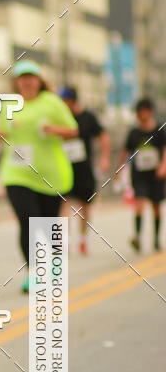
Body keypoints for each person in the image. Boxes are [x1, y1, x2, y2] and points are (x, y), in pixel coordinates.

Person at [0, 61, 78, 292]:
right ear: (16, 82)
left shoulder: (51, 102)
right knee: (28, 220)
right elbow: (1, 131)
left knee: (48, 224)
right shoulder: (9, 104)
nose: (27, 81)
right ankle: (32, 273)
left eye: (31, 77)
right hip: (16, 174)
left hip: (51, 176)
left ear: (39, 80)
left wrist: (52, 129)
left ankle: (54, 263)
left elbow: (72, 130)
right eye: (23, 77)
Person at [59, 86, 111, 254]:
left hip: (84, 168)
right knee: (62, 203)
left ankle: (82, 239)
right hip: (63, 167)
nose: (63, 104)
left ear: (73, 101)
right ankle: (63, 240)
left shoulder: (87, 117)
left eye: (66, 100)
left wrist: (104, 158)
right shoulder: (58, 117)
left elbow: (103, 136)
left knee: (84, 206)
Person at [120, 98, 166, 252]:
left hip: (156, 174)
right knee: (139, 203)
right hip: (139, 174)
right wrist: (119, 169)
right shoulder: (134, 132)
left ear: (150, 112)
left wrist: (163, 166)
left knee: (156, 206)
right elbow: (126, 151)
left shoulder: (159, 130)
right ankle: (138, 237)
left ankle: (156, 240)